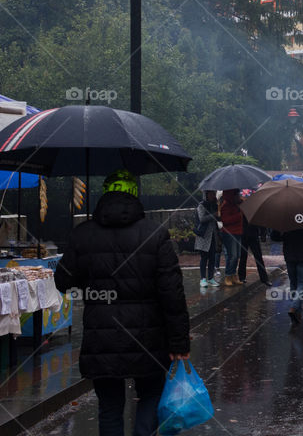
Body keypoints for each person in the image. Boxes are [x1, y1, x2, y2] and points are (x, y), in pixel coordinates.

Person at [55, 170, 190, 436]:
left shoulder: (83, 234)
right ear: (135, 195)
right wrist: (179, 342)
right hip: (148, 336)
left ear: (105, 194)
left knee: (109, 407)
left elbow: (63, 282)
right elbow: (171, 292)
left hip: (101, 337)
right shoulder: (155, 234)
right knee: (150, 396)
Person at [194, 190, 222, 287]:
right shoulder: (201, 205)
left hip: (213, 236)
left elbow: (218, 219)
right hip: (204, 236)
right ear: (206, 195)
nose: (213, 195)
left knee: (212, 258)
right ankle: (203, 279)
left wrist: (219, 211)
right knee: (204, 258)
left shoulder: (214, 205)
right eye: (211, 194)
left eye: (214, 194)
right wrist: (214, 215)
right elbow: (202, 219)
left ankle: (210, 278)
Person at [219, 189, 245, 286]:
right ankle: (228, 275)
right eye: (237, 194)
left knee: (237, 255)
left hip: (238, 232)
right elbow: (225, 220)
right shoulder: (226, 206)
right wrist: (238, 215)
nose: (239, 196)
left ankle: (233, 275)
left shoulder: (237, 205)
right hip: (229, 234)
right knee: (232, 256)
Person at [237, 215, 270, 286]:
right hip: (243, 234)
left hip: (253, 234)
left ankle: (264, 278)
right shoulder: (241, 206)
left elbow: (261, 219)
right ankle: (241, 277)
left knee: (258, 257)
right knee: (243, 257)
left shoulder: (254, 208)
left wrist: (263, 234)